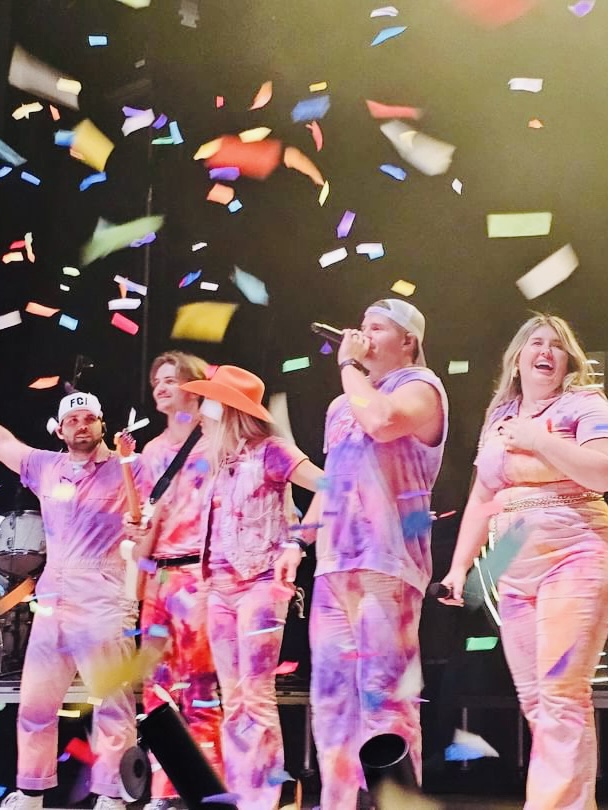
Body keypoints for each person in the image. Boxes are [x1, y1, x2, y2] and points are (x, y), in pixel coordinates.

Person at [275, 298, 449, 810]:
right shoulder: (341, 405)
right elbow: (333, 484)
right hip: (334, 567)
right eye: (361, 326)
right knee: (331, 704)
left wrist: (350, 366)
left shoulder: (421, 386)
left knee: (385, 700)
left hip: (386, 563)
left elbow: (382, 422)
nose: (363, 333)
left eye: (376, 327)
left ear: (408, 340)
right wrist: (297, 541)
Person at [440, 314, 608, 810]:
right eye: (536, 342)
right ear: (517, 359)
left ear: (568, 361)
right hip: (514, 567)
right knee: (536, 700)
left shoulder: (585, 404)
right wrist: (458, 567)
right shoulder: (500, 417)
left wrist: (537, 440)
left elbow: (602, 473)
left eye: (557, 345)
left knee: (561, 696)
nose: (546, 351)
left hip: (575, 553)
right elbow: (482, 496)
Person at [180, 365, 323, 810]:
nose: (202, 413)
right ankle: (243, 795)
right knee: (234, 695)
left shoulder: (272, 452)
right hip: (219, 588)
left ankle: (261, 799)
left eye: (210, 403)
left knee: (255, 693)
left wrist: (297, 543)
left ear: (229, 410)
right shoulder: (218, 462)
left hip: (260, 583)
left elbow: (330, 487)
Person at [0, 392, 142, 810]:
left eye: (88, 418)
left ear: (101, 424)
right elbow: (5, 444)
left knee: (112, 703)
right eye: (73, 420)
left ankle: (112, 794)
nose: (81, 425)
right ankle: (31, 791)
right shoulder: (45, 466)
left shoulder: (127, 467)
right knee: (36, 703)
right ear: (60, 430)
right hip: (53, 600)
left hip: (103, 598)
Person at [137, 352, 223, 810]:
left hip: (198, 575)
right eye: (157, 381)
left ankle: (210, 794)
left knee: (199, 691)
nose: (161, 387)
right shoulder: (152, 451)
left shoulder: (216, 443)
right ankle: (165, 792)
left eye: (171, 379)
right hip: (159, 578)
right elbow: (148, 520)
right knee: (156, 691)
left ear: (193, 387)